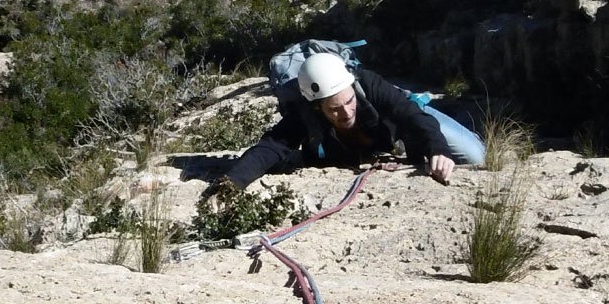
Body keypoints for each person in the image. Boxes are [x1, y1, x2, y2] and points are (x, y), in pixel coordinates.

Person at [204, 53, 486, 201]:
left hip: (409, 118)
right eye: (335, 109)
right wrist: (231, 183)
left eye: (349, 102)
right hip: (372, 144)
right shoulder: (306, 111)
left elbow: (410, 116)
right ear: (318, 107)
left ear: (353, 88)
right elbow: (271, 146)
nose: (347, 112)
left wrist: (437, 149)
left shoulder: (369, 85)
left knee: (474, 155)